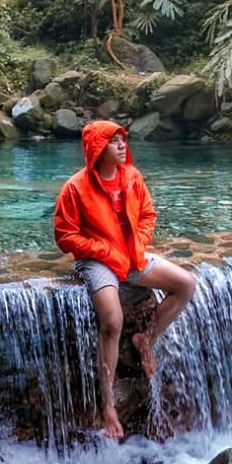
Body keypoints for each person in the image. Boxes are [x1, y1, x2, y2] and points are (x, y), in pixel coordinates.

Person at [53, 120, 196, 439]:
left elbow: (148, 215)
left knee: (186, 284)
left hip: (133, 256)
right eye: (113, 141)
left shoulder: (132, 178)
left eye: (122, 140)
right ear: (96, 149)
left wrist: (138, 245)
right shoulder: (75, 187)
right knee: (113, 320)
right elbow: (65, 236)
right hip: (96, 262)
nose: (121, 146)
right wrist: (103, 250)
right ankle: (107, 405)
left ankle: (147, 339)